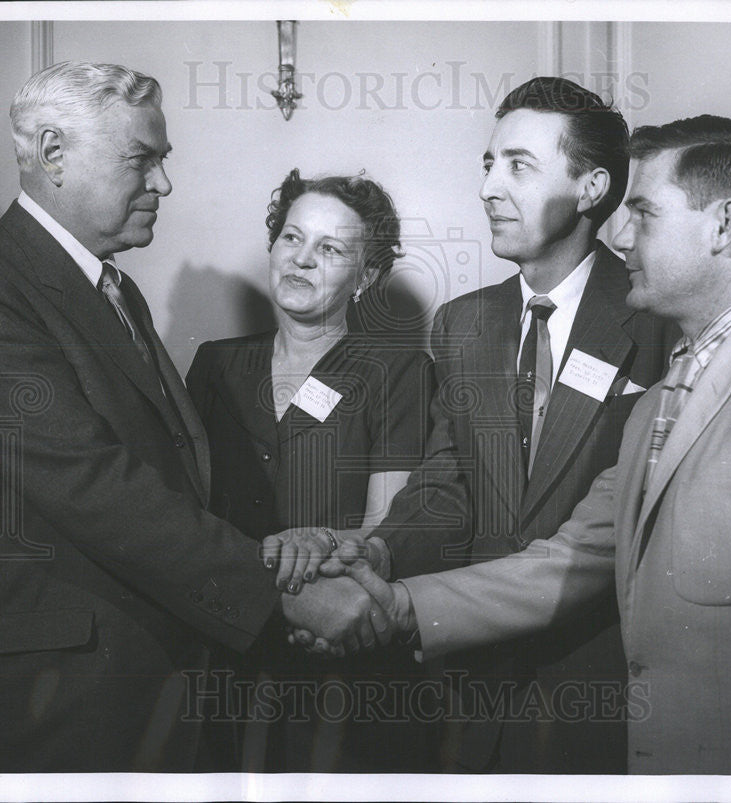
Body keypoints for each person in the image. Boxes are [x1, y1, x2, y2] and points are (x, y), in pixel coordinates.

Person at [334, 115, 731, 776]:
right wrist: (399, 607)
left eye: (644, 212)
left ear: (724, 225)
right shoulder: (662, 396)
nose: (619, 235)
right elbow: (573, 557)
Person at [0, 61, 387, 772]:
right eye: (143, 159)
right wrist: (279, 594)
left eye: (162, 161)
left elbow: (166, 479)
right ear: (53, 154)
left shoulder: (118, 290)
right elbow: (92, 483)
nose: (164, 183)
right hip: (52, 703)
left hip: (144, 685)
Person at [275, 76, 678, 773]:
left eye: (519, 165)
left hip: (602, 690)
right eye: (489, 164)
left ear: (590, 189)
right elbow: (445, 486)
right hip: (471, 690)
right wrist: (374, 558)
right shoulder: (465, 323)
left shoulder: (659, 319)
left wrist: (388, 603)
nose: (490, 186)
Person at [185, 169, 435, 771]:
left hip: (340, 646)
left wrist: (314, 578)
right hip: (226, 640)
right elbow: (186, 512)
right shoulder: (216, 366)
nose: (301, 260)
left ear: (366, 276)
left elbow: (386, 527)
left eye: (330, 249)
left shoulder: (397, 371)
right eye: (291, 239)